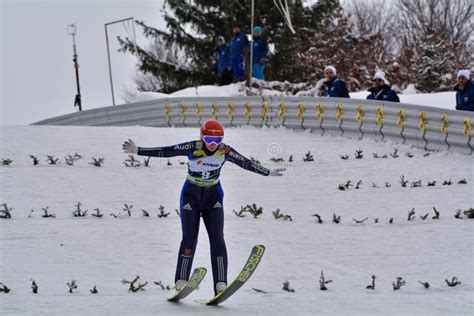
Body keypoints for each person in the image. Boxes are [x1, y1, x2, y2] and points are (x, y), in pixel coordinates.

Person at [122, 119, 285, 295]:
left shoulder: (225, 151)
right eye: (209, 140)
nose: (213, 144)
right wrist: (138, 150)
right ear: (202, 137)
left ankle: (220, 283)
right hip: (191, 196)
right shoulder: (192, 147)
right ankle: (181, 280)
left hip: (213, 196)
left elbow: (245, 162)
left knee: (217, 238)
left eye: (217, 140)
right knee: (189, 239)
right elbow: (167, 151)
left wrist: (267, 172)